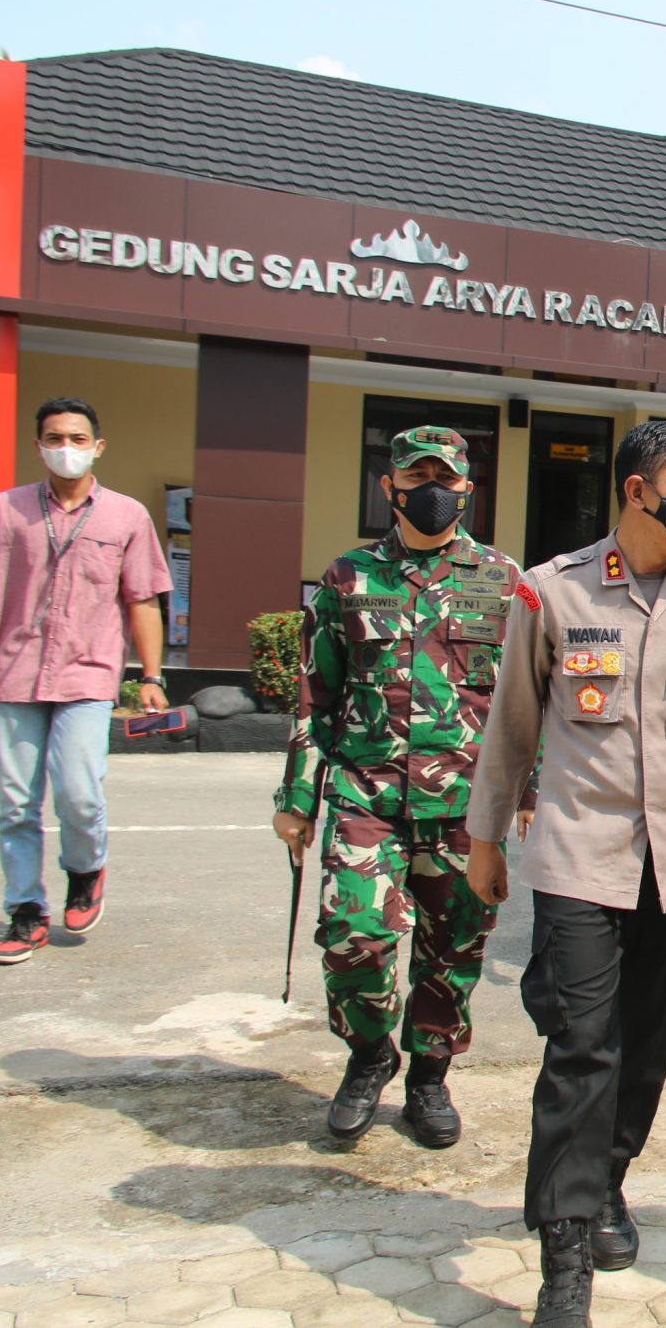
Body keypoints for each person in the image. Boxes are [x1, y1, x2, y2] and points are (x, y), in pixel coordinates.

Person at [461, 420, 666, 1328]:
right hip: (578, 854)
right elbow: (511, 729)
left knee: (647, 1038)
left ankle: (608, 1179)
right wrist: (486, 839)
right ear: (638, 494)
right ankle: (564, 1257)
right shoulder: (553, 591)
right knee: (581, 1048)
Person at [272, 426, 531, 1146]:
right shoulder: (348, 578)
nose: (433, 491)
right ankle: (368, 1053)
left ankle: (429, 1076)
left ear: (468, 489)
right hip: (367, 797)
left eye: (446, 478)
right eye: (417, 477)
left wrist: (530, 788)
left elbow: (525, 700)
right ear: (389, 488)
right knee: (355, 935)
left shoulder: (503, 580)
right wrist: (297, 797)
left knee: (455, 950)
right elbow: (313, 696)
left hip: (464, 808)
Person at [0, 397, 171, 965]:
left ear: (97, 447)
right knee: (16, 802)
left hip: (89, 674)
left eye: (76, 438)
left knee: (78, 791)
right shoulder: (6, 511)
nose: (64, 448)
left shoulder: (126, 516)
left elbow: (142, 599)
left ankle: (85, 869)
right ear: (39, 444)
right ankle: (25, 911)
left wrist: (151, 676)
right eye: (54, 438)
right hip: (16, 675)